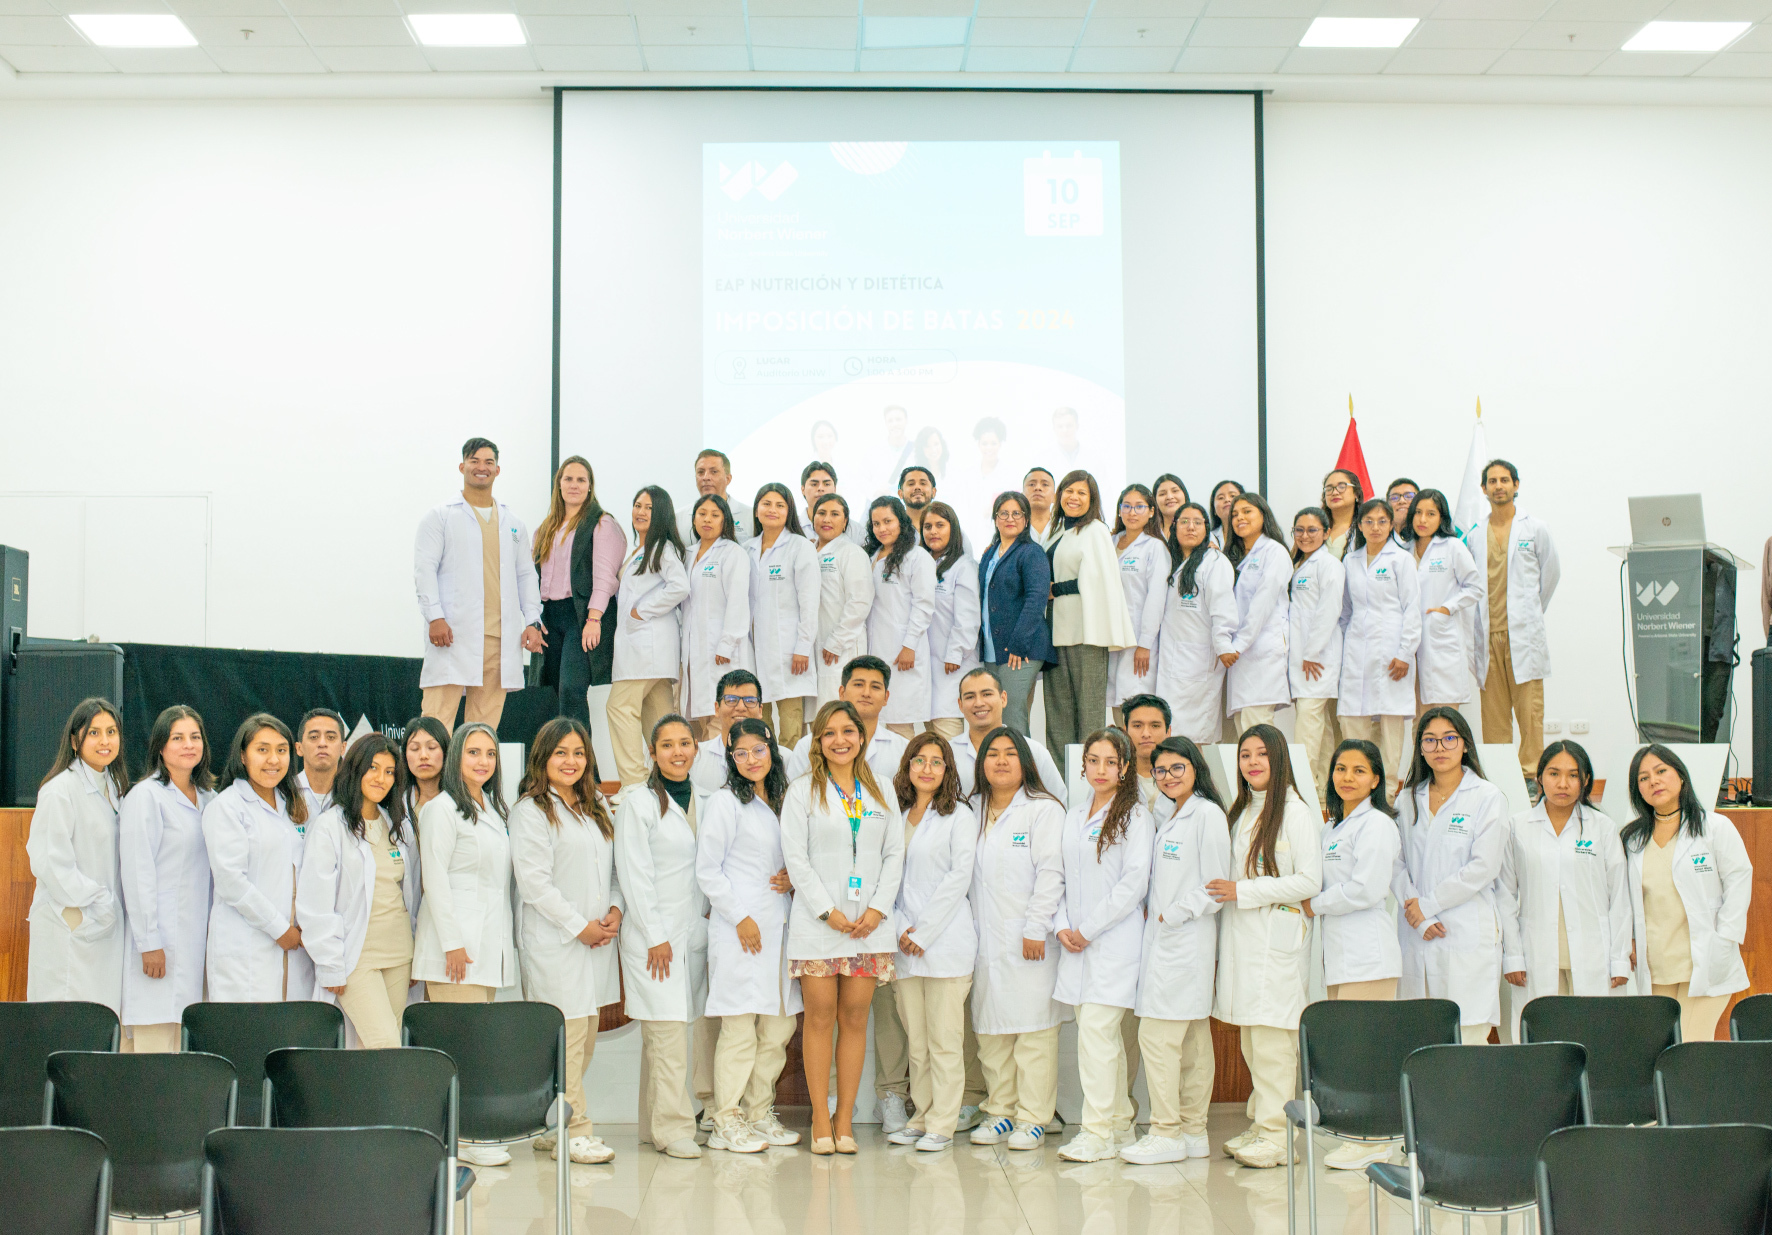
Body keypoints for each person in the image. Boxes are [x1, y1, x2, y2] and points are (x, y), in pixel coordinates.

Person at [782, 700, 906, 1155]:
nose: (840, 740)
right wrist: (825, 911)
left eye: (848, 732)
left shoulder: (882, 791)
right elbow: (795, 859)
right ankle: (819, 1118)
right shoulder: (802, 791)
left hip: (868, 927)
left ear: (861, 737)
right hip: (821, 926)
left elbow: (895, 854)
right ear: (818, 741)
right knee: (818, 1019)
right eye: (829, 732)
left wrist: (877, 909)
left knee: (855, 1019)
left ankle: (844, 1119)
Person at [509, 717, 623, 1165]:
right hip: (556, 942)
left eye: (578, 753)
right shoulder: (531, 810)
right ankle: (576, 1131)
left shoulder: (596, 806)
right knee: (567, 1040)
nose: (571, 761)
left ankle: (550, 1123)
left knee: (586, 1038)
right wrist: (580, 927)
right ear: (543, 757)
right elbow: (534, 884)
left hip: (595, 940)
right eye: (561, 753)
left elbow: (613, 870)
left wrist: (615, 910)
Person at [1211, 724, 1322, 1170]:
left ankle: (1279, 1137)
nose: (1253, 762)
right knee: (1254, 1042)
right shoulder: (1241, 811)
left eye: (1262, 754)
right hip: (1244, 939)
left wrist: (1245, 891)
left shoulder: (1295, 812)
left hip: (1275, 941)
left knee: (1275, 1043)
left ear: (1279, 759)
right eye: (1245, 755)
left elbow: (1309, 882)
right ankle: (1261, 1124)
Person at [696, 719, 803, 1153]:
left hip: (782, 929)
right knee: (739, 1028)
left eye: (758, 750)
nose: (751, 760)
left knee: (778, 1027)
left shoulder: (785, 799)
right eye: (740, 753)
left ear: (771, 749)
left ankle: (760, 1112)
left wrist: (793, 878)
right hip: (741, 932)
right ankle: (726, 1117)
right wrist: (740, 917)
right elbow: (707, 869)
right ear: (731, 757)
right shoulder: (724, 803)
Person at [1122, 735, 1229, 1166]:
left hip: (1185, 941)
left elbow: (1216, 885)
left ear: (1195, 768)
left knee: (1159, 1038)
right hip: (1169, 945)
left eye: (1176, 768)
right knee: (1193, 1042)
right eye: (1160, 770)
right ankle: (1193, 1131)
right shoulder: (1169, 813)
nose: (1167, 777)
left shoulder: (1207, 815)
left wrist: (1171, 915)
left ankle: (1167, 1130)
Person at [1301, 738, 1403, 1170]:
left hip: (1368, 952)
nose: (1347, 778)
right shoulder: (1331, 827)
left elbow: (1367, 888)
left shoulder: (1377, 825)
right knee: (1350, 1046)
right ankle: (1361, 1133)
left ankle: (1374, 1139)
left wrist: (1316, 904)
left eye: (1359, 770)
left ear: (1376, 779)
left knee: (1368, 1049)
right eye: (1341, 769)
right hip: (1339, 953)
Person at [1053, 729, 1155, 1163]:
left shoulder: (1136, 816)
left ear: (1125, 767)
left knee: (1098, 1034)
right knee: (1098, 1036)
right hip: (1074, 942)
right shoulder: (1074, 815)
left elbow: (1132, 885)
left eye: (1109, 762)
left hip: (1112, 941)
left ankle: (1095, 1132)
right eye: (1093, 760)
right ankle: (1117, 1126)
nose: (1100, 769)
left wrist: (1087, 930)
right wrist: (1061, 926)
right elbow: (1056, 874)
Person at [966, 726, 1068, 1152]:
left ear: (1025, 761)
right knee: (991, 1033)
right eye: (993, 754)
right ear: (981, 762)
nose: (1001, 761)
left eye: (1010, 753)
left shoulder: (1043, 809)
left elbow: (1052, 873)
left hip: (1031, 941)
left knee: (1033, 1035)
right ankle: (1000, 1112)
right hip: (983, 941)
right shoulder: (971, 807)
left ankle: (1033, 1118)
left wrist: (1034, 927)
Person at [615, 715, 709, 1158]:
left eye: (684, 743)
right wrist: (654, 934)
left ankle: (651, 1125)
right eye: (667, 745)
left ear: (696, 748)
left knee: (667, 1033)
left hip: (690, 932)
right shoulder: (638, 802)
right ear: (652, 753)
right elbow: (635, 874)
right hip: (654, 937)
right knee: (667, 1031)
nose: (677, 752)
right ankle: (673, 1129)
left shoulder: (704, 800)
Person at [1622, 743, 1752, 1043]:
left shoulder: (1715, 827)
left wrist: (1725, 937)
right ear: (1637, 790)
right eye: (1643, 778)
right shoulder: (1632, 838)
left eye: (1661, 771)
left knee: (1693, 1045)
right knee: (1662, 1047)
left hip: (1704, 959)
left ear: (1681, 776)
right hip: (1656, 963)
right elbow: (1625, 899)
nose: (1653, 781)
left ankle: (1710, 1093)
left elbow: (1739, 879)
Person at [1498, 741, 1630, 1035]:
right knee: (1542, 1037)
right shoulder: (1518, 827)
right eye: (1554, 773)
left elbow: (1619, 897)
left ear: (1585, 781)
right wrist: (1513, 956)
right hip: (1536, 953)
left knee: (1592, 1035)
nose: (1563, 783)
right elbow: (1505, 896)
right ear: (1539, 778)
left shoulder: (1602, 827)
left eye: (1573, 775)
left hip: (1594, 951)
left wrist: (1619, 958)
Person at [297, 735, 419, 1050]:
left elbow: (411, 893)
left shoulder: (398, 825)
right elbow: (314, 903)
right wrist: (329, 963)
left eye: (390, 772)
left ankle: (372, 1102)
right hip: (356, 956)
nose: (382, 778)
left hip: (399, 951)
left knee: (373, 1048)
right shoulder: (330, 826)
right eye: (374, 768)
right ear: (355, 769)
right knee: (387, 1045)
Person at [414, 437, 544, 733]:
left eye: (488, 462)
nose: (481, 468)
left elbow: (526, 575)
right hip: (452, 634)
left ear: (498, 470)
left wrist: (533, 621)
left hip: (499, 638)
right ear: (462, 467)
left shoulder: (513, 523)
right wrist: (435, 616)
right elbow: (425, 570)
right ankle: (432, 781)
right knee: (436, 724)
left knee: (482, 728)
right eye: (474, 461)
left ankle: (471, 781)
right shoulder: (440, 517)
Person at [1394, 707, 1507, 1045]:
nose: (1439, 748)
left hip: (1465, 931)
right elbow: (1395, 862)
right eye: (1430, 740)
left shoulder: (1487, 797)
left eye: (1448, 739)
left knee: (1468, 1034)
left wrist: (1427, 905)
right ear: (1420, 748)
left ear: (1465, 745)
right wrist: (1416, 911)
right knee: (1421, 1035)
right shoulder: (1407, 798)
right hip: (1416, 930)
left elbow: (1483, 868)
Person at [888, 732, 979, 1151]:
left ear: (947, 770)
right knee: (918, 1042)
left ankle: (943, 1121)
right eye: (919, 760)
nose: (926, 768)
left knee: (944, 1041)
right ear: (907, 767)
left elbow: (958, 878)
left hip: (944, 943)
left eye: (936, 761)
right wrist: (901, 928)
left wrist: (923, 932)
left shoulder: (959, 815)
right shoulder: (894, 812)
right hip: (902, 942)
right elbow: (884, 878)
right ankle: (921, 1115)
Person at [411, 720, 516, 1037]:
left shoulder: (494, 812)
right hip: (455, 953)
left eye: (490, 754)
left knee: (478, 1047)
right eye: (473, 752)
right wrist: (452, 944)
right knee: (459, 1046)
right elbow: (435, 880)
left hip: (487, 950)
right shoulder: (440, 809)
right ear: (456, 756)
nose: (483, 761)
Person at [118, 705, 213, 1051]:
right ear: (160, 746)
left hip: (197, 945)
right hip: (159, 947)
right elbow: (137, 871)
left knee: (184, 1053)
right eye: (178, 738)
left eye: (195, 737)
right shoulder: (146, 797)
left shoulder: (210, 799)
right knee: (153, 1055)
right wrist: (149, 942)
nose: (189, 745)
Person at [27, 698, 129, 1013]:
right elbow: (49, 864)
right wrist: (99, 901)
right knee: (65, 1022)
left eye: (111, 731)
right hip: (72, 922)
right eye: (94, 732)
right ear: (75, 740)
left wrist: (108, 908)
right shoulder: (59, 791)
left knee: (99, 1023)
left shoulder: (114, 787)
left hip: (103, 928)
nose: (105, 741)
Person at [204, 714, 314, 1003]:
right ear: (243, 754)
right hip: (247, 947)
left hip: (296, 946)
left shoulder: (293, 804)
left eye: (281, 750)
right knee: (248, 1038)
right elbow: (231, 883)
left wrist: (302, 925)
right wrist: (280, 929)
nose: (273, 760)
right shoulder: (227, 806)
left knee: (290, 1038)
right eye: (262, 750)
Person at [1478, 460, 1560, 783]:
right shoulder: (1474, 534)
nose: (1499, 485)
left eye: (1505, 480)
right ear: (1483, 489)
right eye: (1492, 481)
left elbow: (1551, 575)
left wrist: (1528, 614)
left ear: (1516, 485)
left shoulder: (1535, 528)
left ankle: (1530, 779)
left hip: (1522, 637)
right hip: (1488, 636)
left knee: (1529, 715)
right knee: (1494, 717)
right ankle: (1501, 781)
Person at [1045, 470, 1136, 754]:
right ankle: (1062, 786)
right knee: (1058, 718)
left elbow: (1095, 580)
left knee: (1089, 719)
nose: (1074, 497)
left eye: (1081, 493)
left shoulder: (1095, 529)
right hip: (1055, 634)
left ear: (1092, 499)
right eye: (1069, 491)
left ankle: (1091, 784)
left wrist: (1055, 589)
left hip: (1087, 634)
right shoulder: (1056, 532)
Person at [532, 455, 625, 727]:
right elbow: (533, 579)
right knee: (555, 694)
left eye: (581, 480)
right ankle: (561, 762)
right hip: (550, 617)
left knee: (572, 691)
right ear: (558, 485)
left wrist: (593, 619)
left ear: (590, 486)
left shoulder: (601, 523)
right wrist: (532, 621)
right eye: (568, 479)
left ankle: (585, 768)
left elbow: (605, 579)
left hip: (581, 616)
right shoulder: (545, 528)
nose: (574, 485)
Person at [609, 485, 690, 788]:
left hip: (646, 648)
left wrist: (641, 611)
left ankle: (633, 783)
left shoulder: (661, 548)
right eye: (638, 505)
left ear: (662, 515)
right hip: (648, 650)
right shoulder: (641, 550)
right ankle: (669, 782)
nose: (641, 512)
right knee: (659, 721)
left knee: (619, 708)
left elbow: (679, 587)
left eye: (649, 508)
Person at [1338, 499, 1421, 794]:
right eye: (1369, 521)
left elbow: (1413, 608)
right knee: (1352, 719)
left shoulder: (1401, 560)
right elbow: (1345, 611)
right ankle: (1357, 788)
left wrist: (1404, 653)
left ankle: (1386, 791)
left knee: (1391, 724)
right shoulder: (1350, 561)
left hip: (1391, 650)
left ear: (1391, 525)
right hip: (1356, 649)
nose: (1375, 527)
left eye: (1382, 521)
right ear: (1359, 525)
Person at [1155, 503, 1237, 744]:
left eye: (1197, 522)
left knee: (1196, 735)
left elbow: (1223, 607)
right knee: (1170, 732)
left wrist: (1223, 644)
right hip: (1172, 660)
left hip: (1199, 659)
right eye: (1184, 522)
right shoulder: (1171, 561)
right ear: (1174, 527)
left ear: (1206, 528)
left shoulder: (1214, 562)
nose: (1190, 528)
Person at [748, 481, 820, 749]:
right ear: (756, 510)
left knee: (791, 729)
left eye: (780, 505)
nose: (772, 510)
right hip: (755, 652)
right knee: (758, 727)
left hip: (792, 653)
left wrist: (803, 646)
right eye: (766, 504)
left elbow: (809, 602)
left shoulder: (800, 547)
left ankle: (790, 785)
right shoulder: (748, 549)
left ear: (788, 511)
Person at [977, 491, 1054, 737]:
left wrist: (1019, 645)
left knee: (1012, 716)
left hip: (1021, 651)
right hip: (993, 649)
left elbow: (1036, 600)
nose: (1010, 518)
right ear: (996, 518)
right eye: (1004, 513)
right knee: (996, 718)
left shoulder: (1031, 553)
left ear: (1026, 519)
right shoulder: (990, 553)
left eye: (1017, 513)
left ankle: (1025, 774)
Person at [1402, 489, 1484, 713]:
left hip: (1441, 637)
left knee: (1445, 715)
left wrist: (1447, 608)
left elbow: (1475, 587)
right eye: (1418, 512)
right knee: (1418, 717)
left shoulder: (1452, 546)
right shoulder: (1404, 550)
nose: (1422, 519)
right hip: (1409, 640)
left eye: (1431, 514)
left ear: (1442, 518)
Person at [680, 493, 753, 734]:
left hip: (723, 651)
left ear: (725, 520)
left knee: (723, 717)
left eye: (714, 515)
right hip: (695, 650)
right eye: (702, 514)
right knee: (701, 716)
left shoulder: (732, 553)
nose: (707, 520)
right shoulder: (688, 554)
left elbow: (738, 602)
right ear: (693, 520)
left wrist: (726, 643)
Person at [865, 496, 937, 740]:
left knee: (901, 724)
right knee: (878, 722)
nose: (882, 528)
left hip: (902, 651)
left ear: (902, 522)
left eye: (888, 521)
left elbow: (924, 605)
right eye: (876, 524)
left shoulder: (917, 557)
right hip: (876, 650)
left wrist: (909, 646)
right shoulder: (871, 556)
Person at [1288, 507, 1346, 804]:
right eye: (1299, 530)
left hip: (1316, 658)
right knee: (1318, 728)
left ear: (1325, 533)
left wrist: (1311, 651)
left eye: (1312, 530)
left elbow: (1329, 609)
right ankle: (1321, 794)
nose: (1305, 535)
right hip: (1303, 658)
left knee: (1308, 727)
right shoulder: (1301, 564)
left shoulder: (1329, 565)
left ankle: (1305, 792)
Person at [1222, 493, 1291, 734]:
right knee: (1244, 727)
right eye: (1234, 514)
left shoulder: (1275, 552)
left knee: (1258, 729)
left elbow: (1263, 603)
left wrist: (1238, 645)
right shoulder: (1234, 556)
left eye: (1247, 511)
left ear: (1264, 515)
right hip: (1239, 655)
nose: (1240, 517)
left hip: (1260, 651)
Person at [790, 655, 911, 785]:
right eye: (858, 684)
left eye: (875, 687)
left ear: (886, 697)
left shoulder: (903, 749)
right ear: (842, 692)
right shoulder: (807, 746)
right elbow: (793, 797)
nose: (866, 693)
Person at [951, 666, 1065, 799]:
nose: (979, 703)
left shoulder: (1033, 751)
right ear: (960, 705)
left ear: (1003, 698)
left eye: (987, 694)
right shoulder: (948, 753)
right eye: (970, 697)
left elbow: (1057, 801)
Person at [921, 501, 980, 742]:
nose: (932, 531)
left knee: (950, 739)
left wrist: (955, 653)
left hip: (953, 665)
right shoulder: (923, 563)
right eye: (927, 526)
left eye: (939, 525)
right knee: (933, 739)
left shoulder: (963, 566)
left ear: (953, 529)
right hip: (928, 667)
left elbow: (968, 617)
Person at [1109, 484, 1170, 713]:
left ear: (1152, 511)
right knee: (1116, 703)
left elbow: (1156, 598)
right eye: (1126, 506)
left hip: (1138, 640)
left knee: (1135, 702)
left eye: (1139, 507)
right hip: (1112, 637)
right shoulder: (1110, 541)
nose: (1132, 513)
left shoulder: (1154, 547)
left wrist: (1145, 644)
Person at [812, 493, 875, 707]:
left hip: (841, 649)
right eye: (821, 513)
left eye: (834, 514)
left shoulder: (852, 553)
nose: (827, 519)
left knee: (842, 712)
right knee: (818, 719)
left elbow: (859, 603)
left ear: (845, 521)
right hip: (815, 648)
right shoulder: (809, 552)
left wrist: (836, 642)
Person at [690, 668, 764, 796]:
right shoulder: (696, 759)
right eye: (731, 700)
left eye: (749, 701)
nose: (741, 707)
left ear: (760, 710)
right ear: (717, 708)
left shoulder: (782, 759)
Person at [677, 448, 753, 545]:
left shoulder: (750, 516)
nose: (706, 477)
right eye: (700, 472)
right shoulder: (679, 518)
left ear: (728, 479)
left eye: (714, 472)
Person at [1120, 694, 1171, 811]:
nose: (1146, 733)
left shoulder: (1183, 778)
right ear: (1125, 731)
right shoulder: (1111, 777)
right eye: (1137, 726)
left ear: (1168, 731)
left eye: (1155, 726)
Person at [295, 708, 345, 819]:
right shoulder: (284, 793)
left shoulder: (353, 795)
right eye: (314, 737)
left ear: (343, 748)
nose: (322, 743)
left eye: (331, 737)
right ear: (299, 748)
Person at [398, 715, 449, 822]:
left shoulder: (461, 799)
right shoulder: (396, 802)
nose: (423, 756)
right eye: (415, 748)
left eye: (432, 747)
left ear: (446, 751)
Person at [802, 460, 865, 547]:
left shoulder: (855, 530)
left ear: (834, 489)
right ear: (803, 490)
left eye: (827, 484)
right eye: (814, 484)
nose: (820, 488)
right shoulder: (791, 527)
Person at [1320, 469, 1363, 560]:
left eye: (1342, 486)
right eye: (1329, 489)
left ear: (1356, 493)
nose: (1335, 492)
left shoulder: (1364, 528)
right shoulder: (1316, 527)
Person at [876, 405, 916, 499]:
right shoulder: (875, 451)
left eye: (898, 419)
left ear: (906, 421)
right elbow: (861, 479)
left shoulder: (917, 450)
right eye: (890, 421)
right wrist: (876, 490)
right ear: (885, 423)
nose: (894, 424)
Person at [1023, 468, 1060, 548]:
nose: (1038, 488)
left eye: (1045, 484)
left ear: (1055, 497)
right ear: (1022, 495)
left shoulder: (1063, 526)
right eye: (1032, 484)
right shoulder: (1013, 525)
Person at [1151, 474, 1190, 545]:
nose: (1169, 497)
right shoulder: (1149, 532)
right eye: (1162, 494)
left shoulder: (1197, 528)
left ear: (1185, 495)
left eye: (1175, 491)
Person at [1206, 480, 1244, 550]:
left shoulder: (1251, 536)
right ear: (1214, 509)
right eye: (1221, 498)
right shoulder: (1208, 538)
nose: (1227, 500)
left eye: (1232, 496)